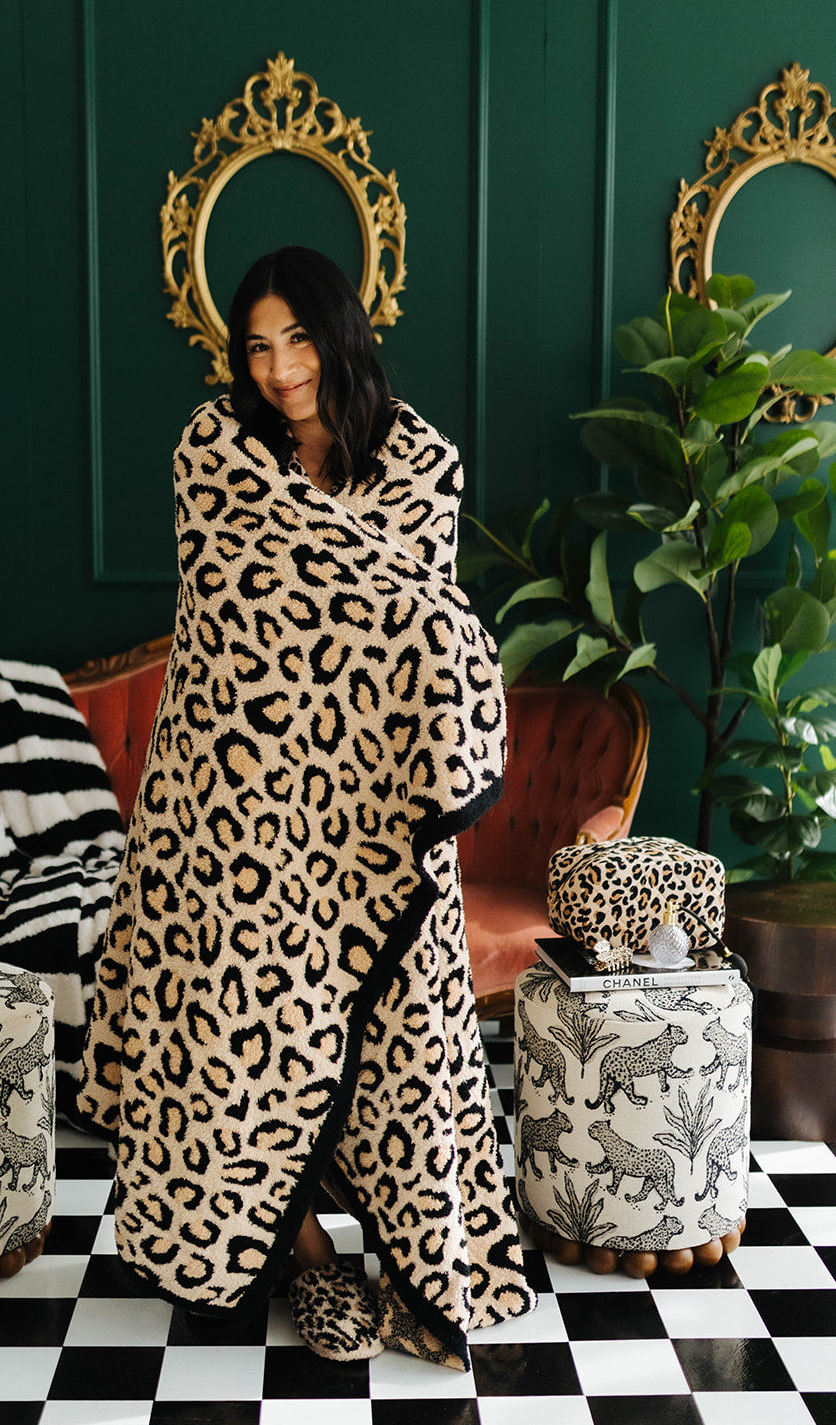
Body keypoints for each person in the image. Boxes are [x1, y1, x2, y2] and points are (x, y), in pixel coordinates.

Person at [79, 246, 536, 1367]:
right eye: (255, 345)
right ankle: (293, 1249)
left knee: (398, 1041)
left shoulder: (421, 463)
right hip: (227, 811)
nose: (279, 368)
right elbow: (234, 634)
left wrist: (436, 651)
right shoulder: (213, 454)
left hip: (372, 821)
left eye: (296, 338)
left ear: (342, 334)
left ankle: (405, 1255)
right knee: (233, 1038)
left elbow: (415, 627)